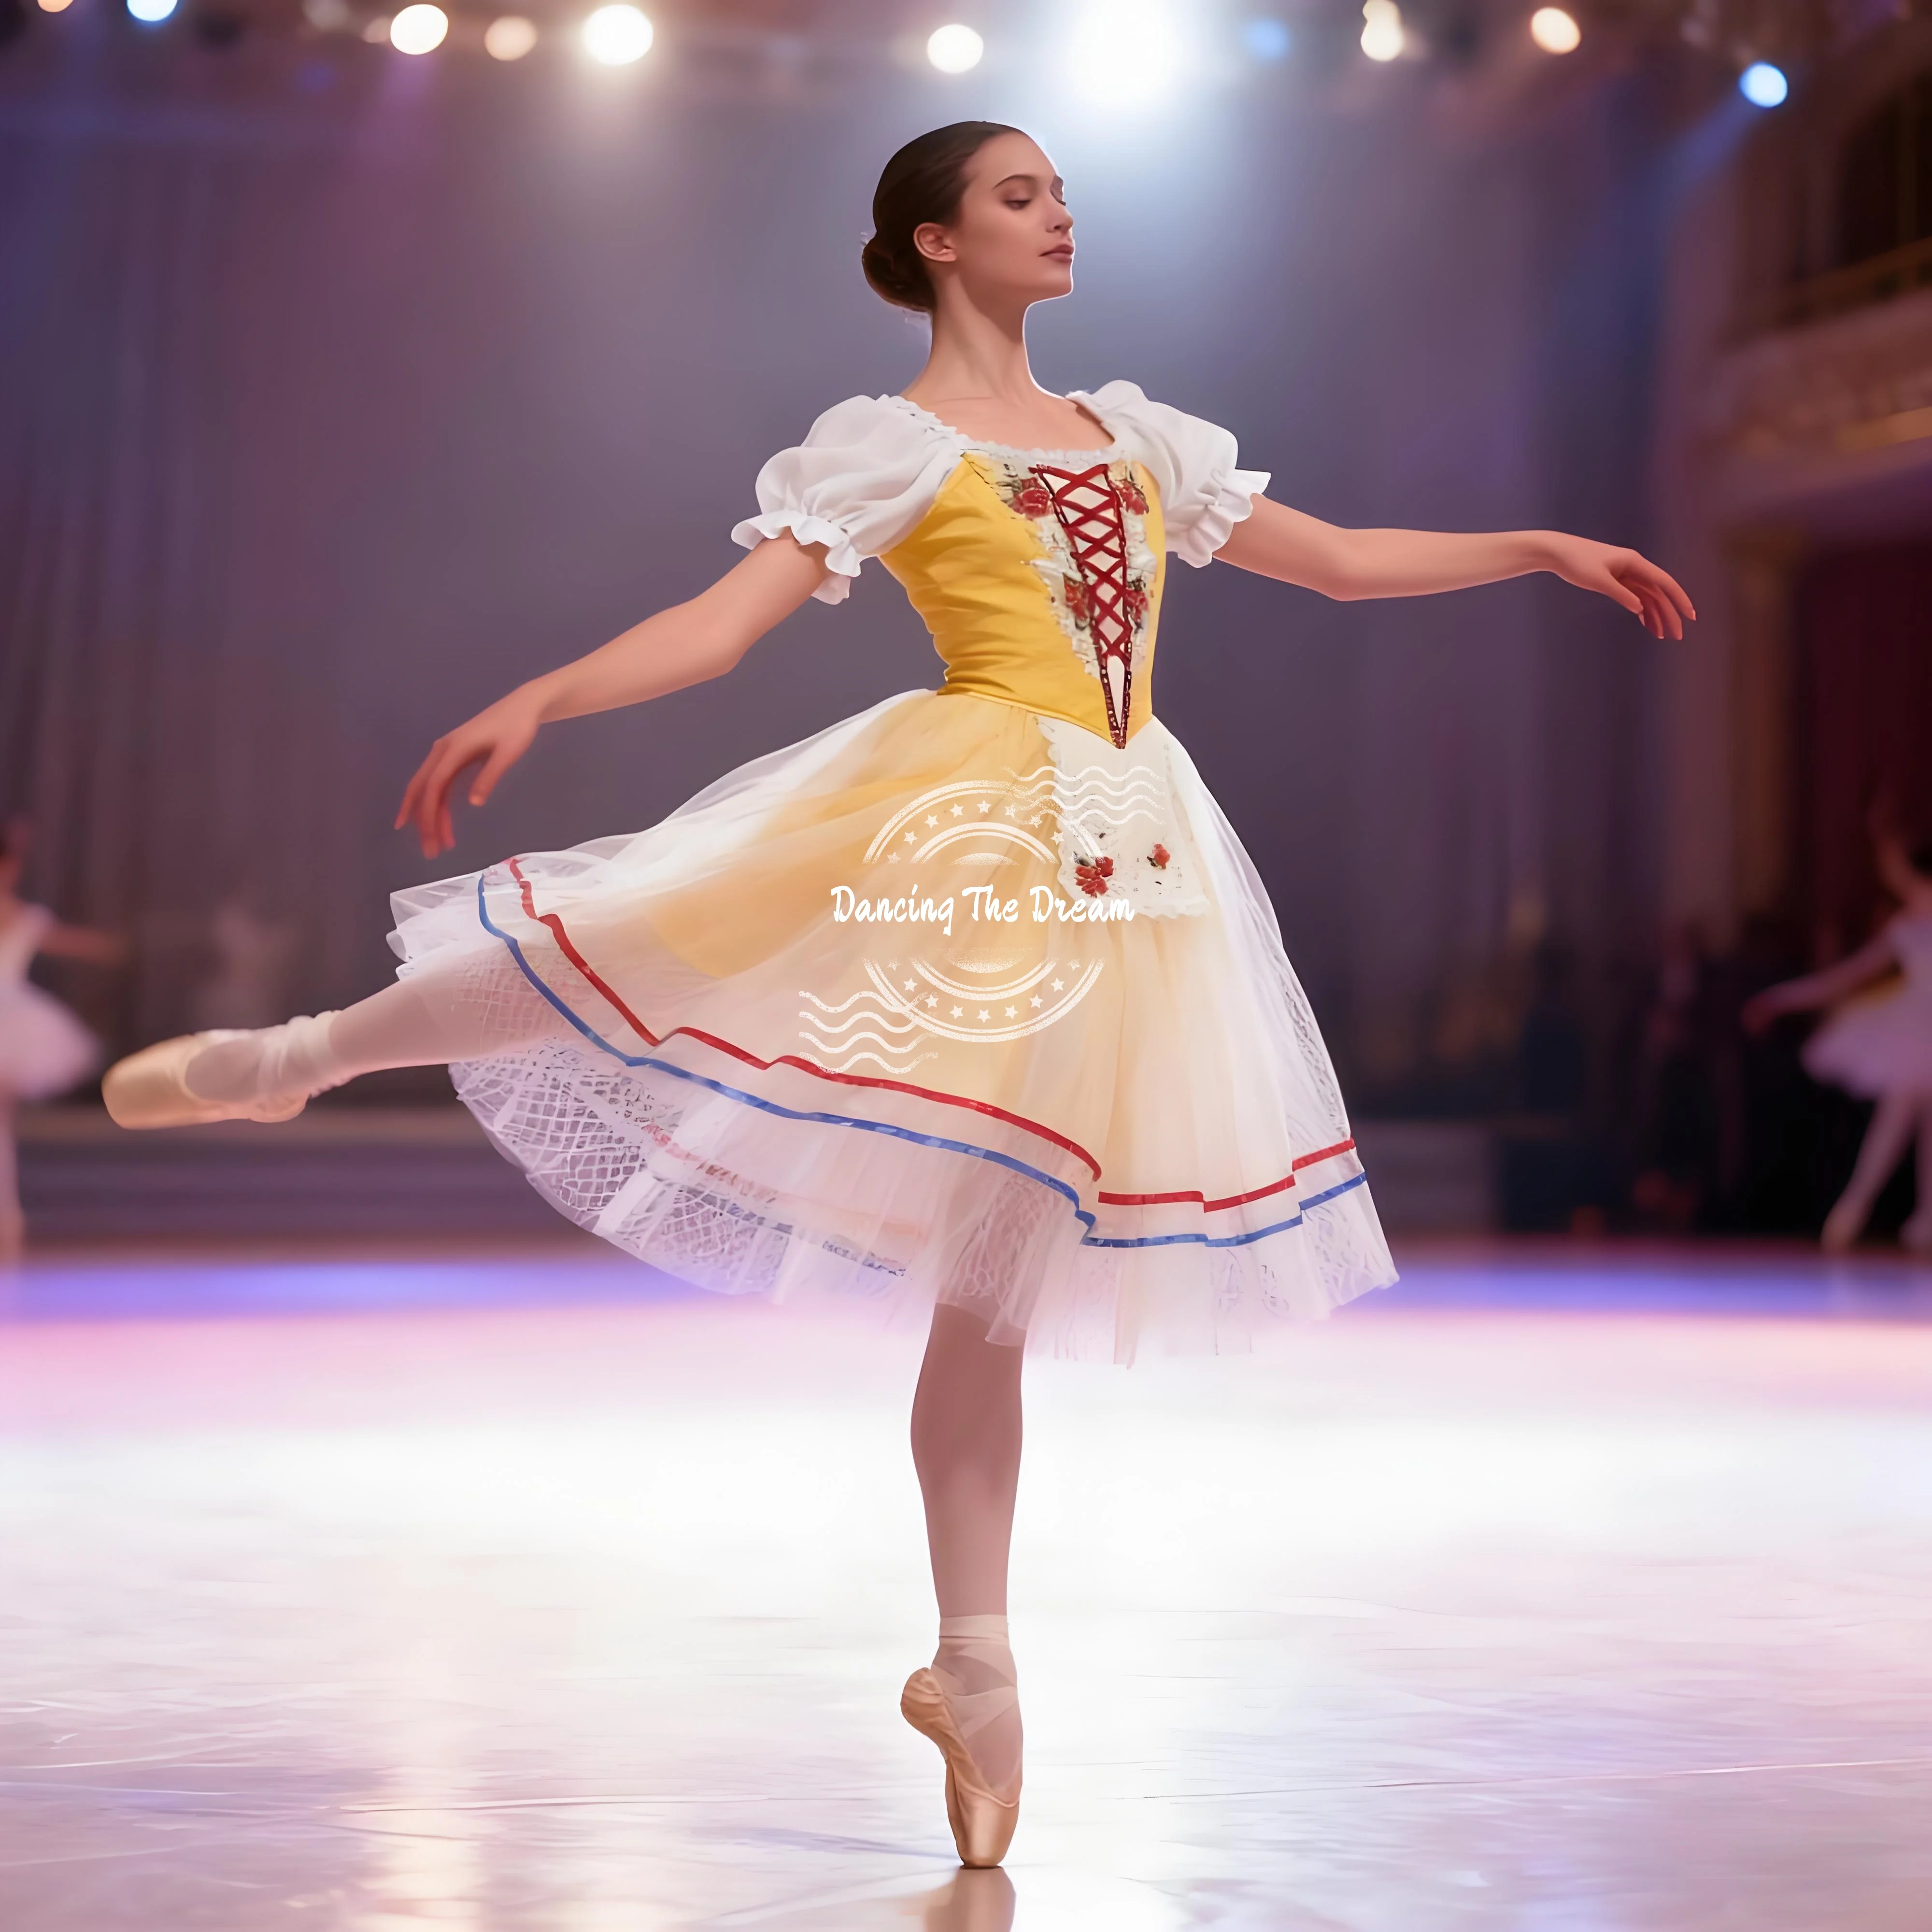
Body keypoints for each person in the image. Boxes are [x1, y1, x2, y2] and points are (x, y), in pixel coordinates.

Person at [100, 122, 1695, 1865]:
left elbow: (1334, 555)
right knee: (642, 937)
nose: (1057, 210)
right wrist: (539, 698)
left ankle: (974, 1662)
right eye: (1018, 194)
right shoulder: (890, 446)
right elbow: (718, 630)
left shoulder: (1141, 437)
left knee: (998, 1254)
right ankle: (301, 1056)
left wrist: (1537, 543)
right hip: (952, 811)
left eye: (1057, 190)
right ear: (938, 242)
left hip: (1125, 857)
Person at [1743, 828, 1932, 1253]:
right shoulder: (1907, 925)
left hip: (1920, 1030)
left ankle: (1901, 1217)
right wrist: (1781, 999)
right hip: (1917, 1032)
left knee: (1913, 1121)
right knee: (1903, 1116)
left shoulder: (1910, 921)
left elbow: (1842, 980)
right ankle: (1858, 1212)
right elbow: (1842, 980)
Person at [0, 818, 126, 1264]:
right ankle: (7, 1220)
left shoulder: (22, 916)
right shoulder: (21, 914)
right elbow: (68, 941)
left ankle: (7, 1220)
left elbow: (66, 941)